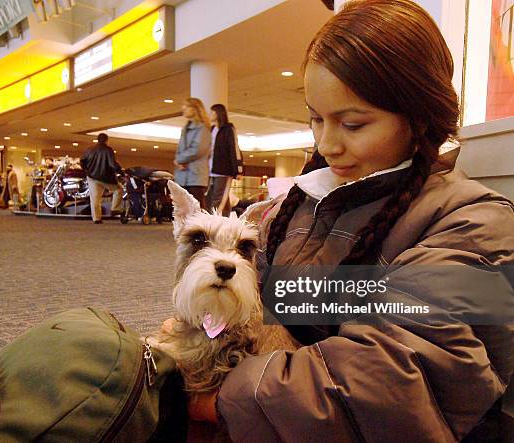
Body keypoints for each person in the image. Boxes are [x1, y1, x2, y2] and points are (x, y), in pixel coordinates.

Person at [185, 1, 514, 441]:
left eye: (353, 124)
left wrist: (216, 402)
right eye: (316, 119)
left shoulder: (478, 226)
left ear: (418, 117)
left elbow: (393, 380)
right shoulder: (299, 207)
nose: (326, 143)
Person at [206, 104, 244, 216]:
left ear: (218, 113)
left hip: (224, 170)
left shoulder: (228, 129)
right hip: (211, 169)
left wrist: (238, 170)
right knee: (220, 197)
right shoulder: (212, 129)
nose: (210, 115)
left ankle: (212, 223)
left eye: (212, 112)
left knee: (218, 198)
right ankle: (226, 219)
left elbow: (234, 149)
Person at [174, 98, 211, 209]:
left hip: (196, 174)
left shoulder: (203, 128)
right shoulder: (185, 128)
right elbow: (180, 149)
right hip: (183, 174)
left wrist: (179, 159)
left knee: (197, 207)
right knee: (184, 207)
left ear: (195, 109)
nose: (183, 109)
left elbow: (198, 149)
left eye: (186, 106)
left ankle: (202, 227)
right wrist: (179, 161)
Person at [80, 133, 121, 224]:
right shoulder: (108, 150)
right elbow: (112, 163)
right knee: (118, 189)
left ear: (97, 140)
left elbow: (82, 161)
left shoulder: (89, 150)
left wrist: (87, 170)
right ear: (106, 140)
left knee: (95, 198)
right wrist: (120, 171)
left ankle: (96, 219)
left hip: (92, 177)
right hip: (105, 177)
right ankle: (115, 208)